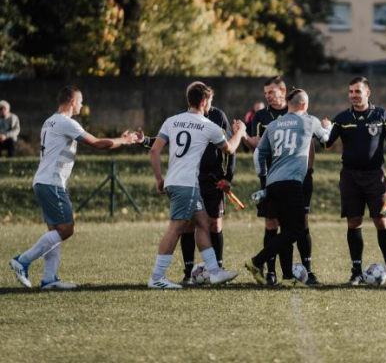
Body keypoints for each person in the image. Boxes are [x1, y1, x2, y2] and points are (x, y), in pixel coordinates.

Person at [8, 86, 142, 289]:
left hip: (43, 181)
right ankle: (22, 260)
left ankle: (49, 279)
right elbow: (97, 143)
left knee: (54, 230)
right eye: (80, 101)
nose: (81, 104)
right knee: (67, 229)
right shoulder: (65, 122)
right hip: (51, 183)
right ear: (72, 102)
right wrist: (124, 140)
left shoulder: (50, 120)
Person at [147, 81, 245, 289]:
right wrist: (240, 131)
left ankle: (215, 272)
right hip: (187, 185)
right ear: (203, 101)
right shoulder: (208, 125)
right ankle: (156, 277)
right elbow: (230, 149)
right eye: (209, 100)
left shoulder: (172, 121)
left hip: (175, 182)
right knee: (176, 229)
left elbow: (154, 151)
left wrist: (159, 179)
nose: (210, 104)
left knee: (202, 223)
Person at [245, 89, 331, 286]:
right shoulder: (309, 120)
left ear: (288, 105)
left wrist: (264, 179)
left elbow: (259, 154)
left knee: (285, 230)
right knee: (296, 230)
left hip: (273, 182)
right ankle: (256, 261)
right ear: (304, 105)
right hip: (293, 182)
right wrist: (329, 126)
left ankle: (286, 278)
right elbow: (325, 139)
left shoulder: (274, 124)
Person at [325, 77, 386, 285]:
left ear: (368, 93)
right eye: (350, 91)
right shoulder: (342, 118)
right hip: (350, 177)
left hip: (375, 177)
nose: (353, 95)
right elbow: (326, 143)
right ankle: (356, 271)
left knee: (381, 220)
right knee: (354, 222)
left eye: (357, 91)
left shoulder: (381, 115)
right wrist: (323, 129)